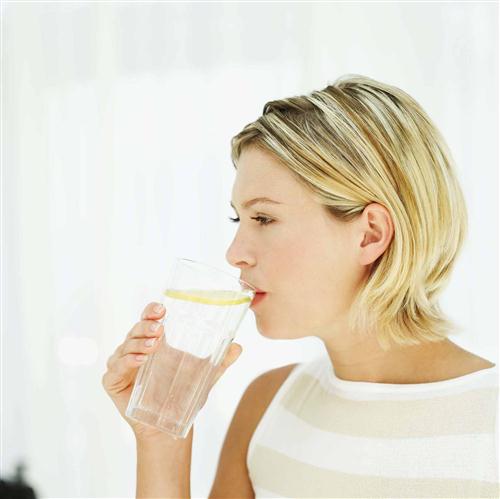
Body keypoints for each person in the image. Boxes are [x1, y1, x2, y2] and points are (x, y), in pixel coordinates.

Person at [102, 74, 498, 498]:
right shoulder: (269, 406)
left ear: (370, 234)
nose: (235, 253)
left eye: (264, 219)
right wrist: (162, 434)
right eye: (239, 219)